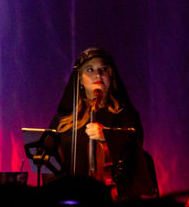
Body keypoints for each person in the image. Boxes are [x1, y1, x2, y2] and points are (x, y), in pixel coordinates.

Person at [40, 47, 155, 199]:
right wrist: (59, 190)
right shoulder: (66, 117)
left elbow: (135, 147)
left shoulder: (125, 113)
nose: (98, 74)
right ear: (80, 79)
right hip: (70, 196)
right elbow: (48, 153)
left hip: (114, 198)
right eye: (90, 69)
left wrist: (107, 136)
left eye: (103, 69)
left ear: (110, 76)